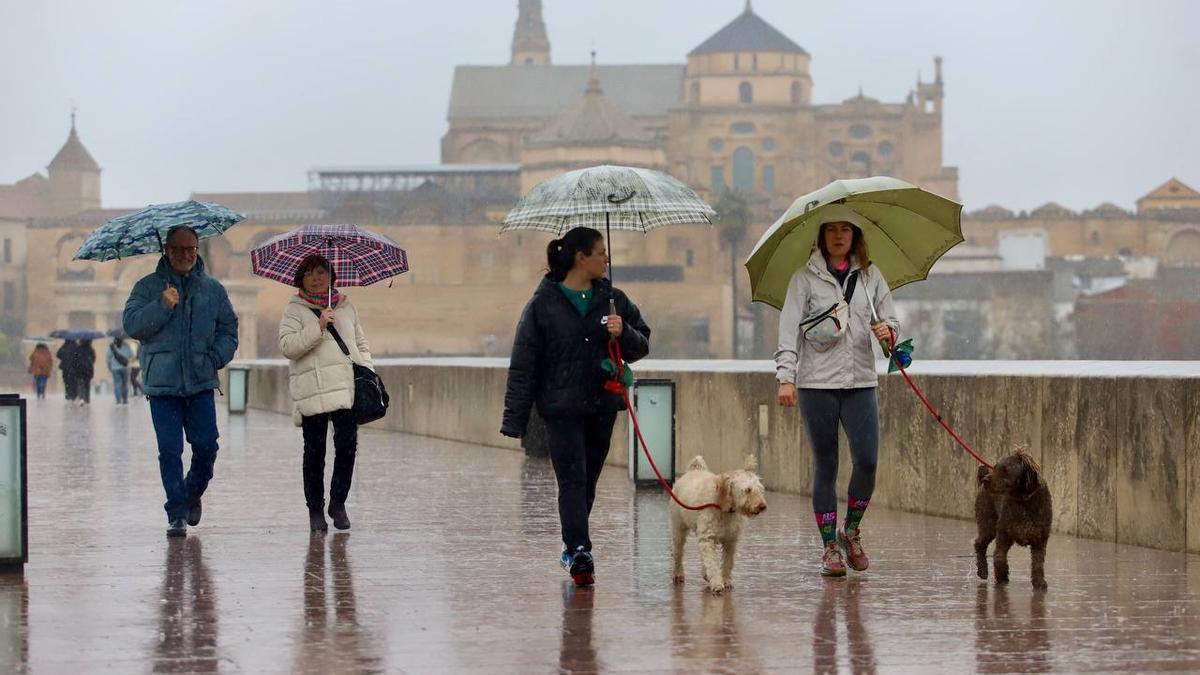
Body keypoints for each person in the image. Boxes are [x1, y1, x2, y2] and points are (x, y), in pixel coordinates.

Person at [500, 226, 651, 587]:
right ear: (581, 257)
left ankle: (574, 542)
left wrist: (623, 332)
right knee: (571, 479)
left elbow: (642, 345)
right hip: (560, 407)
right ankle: (579, 548)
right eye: (600, 253)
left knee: (588, 482)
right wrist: (515, 418)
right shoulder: (543, 304)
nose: (606, 259)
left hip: (601, 403)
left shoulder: (614, 299)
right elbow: (525, 362)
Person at [775, 217, 899, 577]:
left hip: (860, 380)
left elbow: (892, 322)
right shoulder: (804, 278)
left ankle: (852, 530)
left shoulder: (870, 276)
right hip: (817, 384)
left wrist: (887, 332)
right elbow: (789, 330)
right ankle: (829, 546)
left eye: (846, 230)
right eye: (832, 230)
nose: (839, 236)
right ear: (821, 236)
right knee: (826, 465)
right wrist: (786, 377)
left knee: (867, 460)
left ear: (855, 236)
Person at [123, 225, 239, 537]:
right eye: (179, 249)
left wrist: (215, 358)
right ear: (167, 250)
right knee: (170, 449)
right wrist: (162, 305)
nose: (186, 255)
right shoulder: (146, 288)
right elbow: (133, 325)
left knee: (206, 446)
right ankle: (176, 513)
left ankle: (191, 493)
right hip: (162, 384)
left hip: (201, 381)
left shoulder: (212, 289)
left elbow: (229, 329)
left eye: (191, 249)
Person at [278, 254, 373, 533]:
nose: (316, 278)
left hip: (345, 388)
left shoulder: (345, 306)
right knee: (314, 452)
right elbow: (288, 346)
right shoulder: (293, 310)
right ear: (300, 280)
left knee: (347, 448)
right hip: (313, 389)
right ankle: (315, 509)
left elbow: (361, 343)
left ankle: (338, 503)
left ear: (332, 276)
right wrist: (318, 327)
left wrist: (366, 367)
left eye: (321, 272)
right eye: (309, 273)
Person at [107, 335, 134, 404]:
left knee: (117, 384)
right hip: (125, 367)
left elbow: (108, 358)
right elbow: (131, 355)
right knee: (125, 384)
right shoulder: (126, 345)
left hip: (115, 368)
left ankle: (118, 400)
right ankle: (125, 400)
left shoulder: (111, 347)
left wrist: (109, 367)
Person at [76, 339, 96, 406]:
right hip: (88, 369)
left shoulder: (78, 349)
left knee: (80, 384)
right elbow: (93, 359)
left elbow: (75, 358)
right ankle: (87, 399)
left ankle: (81, 398)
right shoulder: (91, 349)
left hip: (79, 369)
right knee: (87, 385)